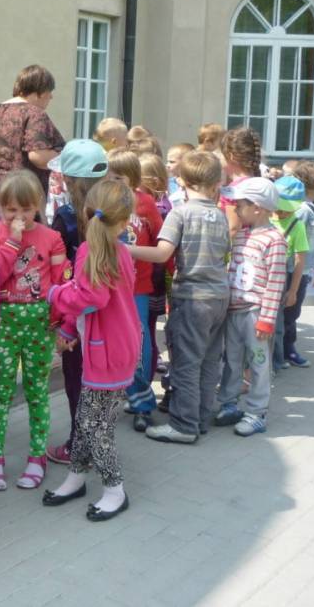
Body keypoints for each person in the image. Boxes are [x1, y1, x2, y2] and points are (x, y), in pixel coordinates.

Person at [42, 180, 140, 521]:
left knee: (95, 425)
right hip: (116, 348)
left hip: (107, 354)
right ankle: (76, 477)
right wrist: (70, 327)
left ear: (86, 212)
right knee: (87, 417)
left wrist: (54, 294)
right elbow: (91, 296)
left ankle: (115, 489)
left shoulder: (92, 251)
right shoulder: (118, 251)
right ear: (124, 221)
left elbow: (90, 297)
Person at [129, 152, 231, 443]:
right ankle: (200, 418)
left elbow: (162, 253)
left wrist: (125, 249)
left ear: (182, 181)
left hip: (192, 297)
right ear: (215, 182)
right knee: (209, 361)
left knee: (186, 363)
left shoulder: (181, 213)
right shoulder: (220, 215)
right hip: (219, 296)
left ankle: (184, 425)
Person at [0, 170, 68, 491]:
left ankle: (37, 456)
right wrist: (13, 240)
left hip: (39, 326)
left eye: (26, 209)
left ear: (38, 206)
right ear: (0, 206)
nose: (18, 216)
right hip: (3, 324)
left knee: (36, 391)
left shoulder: (52, 237)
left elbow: (60, 283)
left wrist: (61, 323)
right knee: (1, 393)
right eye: (11, 210)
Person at [44, 139, 109, 465]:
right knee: (100, 385)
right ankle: (100, 443)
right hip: (110, 317)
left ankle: (78, 445)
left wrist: (62, 319)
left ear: (67, 179)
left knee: (76, 380)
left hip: (77, 314)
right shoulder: (115, 215)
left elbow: (60, 272)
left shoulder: (66, 217)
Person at [214, 178, 287, 437]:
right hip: (234, 310)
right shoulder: (242, 235)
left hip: (256, 313)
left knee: (258, 363)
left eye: (239, 204)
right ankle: (229, 403)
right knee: (231, 360)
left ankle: (257, 412)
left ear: (257, 208)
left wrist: (267, 319)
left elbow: (275, 282)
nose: (235, 208)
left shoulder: (274, 240)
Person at [106, 150, 162, 431]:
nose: (112, 182)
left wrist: (170, 276)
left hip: (138, 287)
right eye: (108, 176)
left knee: (139, 344)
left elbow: (161, 240)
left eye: (118, 178)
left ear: (133, 178)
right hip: (109, 286)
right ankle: (129, 394)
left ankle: (143, 404)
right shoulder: (104, 200)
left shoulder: (145, 203)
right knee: (113, 345)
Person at [0, 65, 65, 193]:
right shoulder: (35, 114)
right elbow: (38, 156)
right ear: (40, 93)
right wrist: (66, 156)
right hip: (22, 191)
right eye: (49, 91)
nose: (51, 97)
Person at [281, 162, 314, 365]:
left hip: (301, 268)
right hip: (294, 268)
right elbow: (296, 244)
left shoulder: (309, 208)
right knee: (290, 311)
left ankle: (284, 348)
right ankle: (286, 349)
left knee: (292, 311)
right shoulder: (302, 210)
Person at [138, 153, 173, 382]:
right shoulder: (163, 205)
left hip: (152, 278)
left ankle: (145, 378)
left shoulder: (157, 208)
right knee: (147, 329)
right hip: (154, 277)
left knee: (147, 331)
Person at [271, 176, 310, 372]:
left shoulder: (297, 225)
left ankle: (279, 359)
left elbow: (299, 260)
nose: (282, 212)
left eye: (287, 208)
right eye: (279, 206)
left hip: (285, 279)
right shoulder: (265, 218)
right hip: (264, 277)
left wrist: (293, 290)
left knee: (282, 322)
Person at [220, 126, 263, 238]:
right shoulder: (260, 183)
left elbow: (233, 228)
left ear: (231, 156)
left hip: (238, 245)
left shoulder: (234, 190)